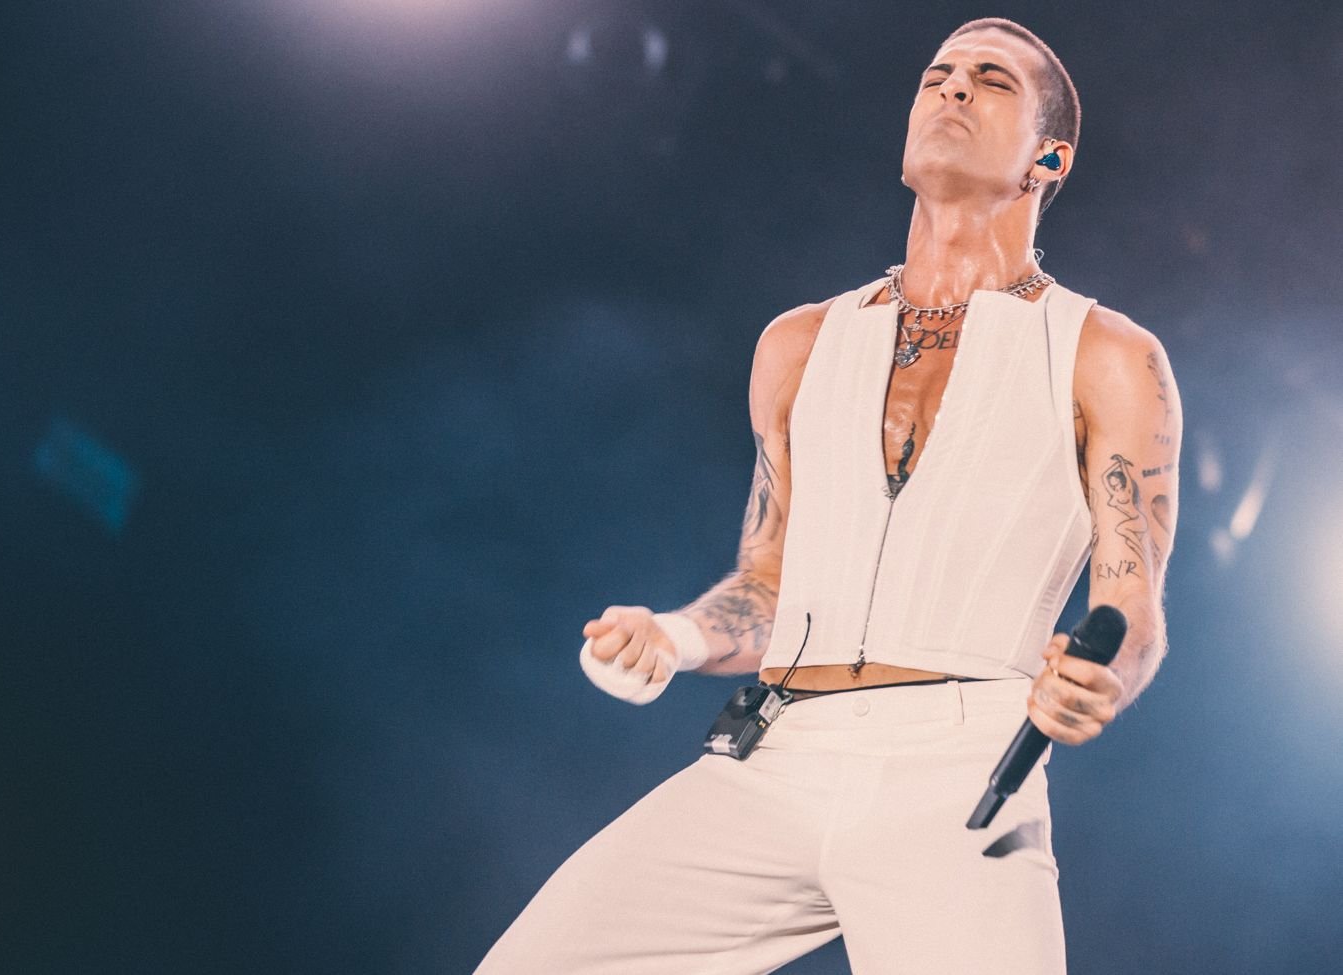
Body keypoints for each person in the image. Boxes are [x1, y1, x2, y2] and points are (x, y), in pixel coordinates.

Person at [476, 16, 1180, 975]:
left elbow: (1132, 605)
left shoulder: (1108, 355)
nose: (952, 88)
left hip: (959, 772)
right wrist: (672, 636)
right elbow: (769, 584)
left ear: (1048, 158)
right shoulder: (799, 343)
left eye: (991, 80)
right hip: (772, 755)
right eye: (936, 74)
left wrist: (1105, 678)